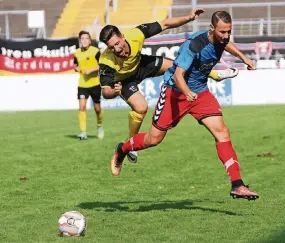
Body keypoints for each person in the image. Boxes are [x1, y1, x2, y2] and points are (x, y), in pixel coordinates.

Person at [110, 11, 259, 200]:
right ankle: (122, 149)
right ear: (212, 28)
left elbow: (226, 44)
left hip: (200, 92)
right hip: (175, 93)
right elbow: (178, 75)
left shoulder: (221, 39)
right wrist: (187, 92)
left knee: (222, 132)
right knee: (153, 139)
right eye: (222, 32)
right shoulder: (194, 45)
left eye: (229, 31)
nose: (226, 36)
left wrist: (243, 58)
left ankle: (237, 185)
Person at [98, 8, 238, 163]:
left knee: (176, 67)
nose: (116, 49)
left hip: (141, 65)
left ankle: (215, 74)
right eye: (111, 47)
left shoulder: (135, 35)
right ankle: (131, 142)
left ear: (123, 37)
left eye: (117, 43)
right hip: (123, 80)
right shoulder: (106, 61)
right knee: (141, 108)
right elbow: (105, 92)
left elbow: (164, 24)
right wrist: (114, 91)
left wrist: (189, 17)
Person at [74, 30, 104, 140]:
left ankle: (100, 126)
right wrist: (76, 68)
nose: (84, 40)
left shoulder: (95, 51)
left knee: (97, 108)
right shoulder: (76, 52)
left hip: (95, 84)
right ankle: (83, 132)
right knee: (82, 107)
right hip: (82, 85)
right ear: (80, 40)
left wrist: (91, 70)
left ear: (90, 40)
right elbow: (75, 65)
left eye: (86, 38)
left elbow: (102, 65)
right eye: (82, 38)